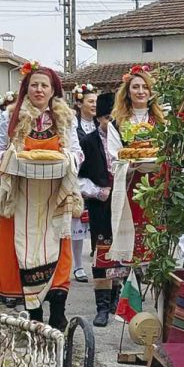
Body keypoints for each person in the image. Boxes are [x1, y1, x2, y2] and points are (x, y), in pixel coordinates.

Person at [0, 64, 83, 330]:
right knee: (24, 251)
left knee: (60, 252)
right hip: (22, 195)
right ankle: (34, 315)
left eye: (44, 85)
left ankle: (58, 312)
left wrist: (69, 160)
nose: (39, 90)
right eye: (34, 85)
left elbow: (77, 153)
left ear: (53, 90)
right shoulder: (11, 117)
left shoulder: (66, 118)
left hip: (56, 196)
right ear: (26, 88)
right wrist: (12, 160)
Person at [112, 65, 165, 265]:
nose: (141, 91)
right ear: (127, 92)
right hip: (130, 184)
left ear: (151, 91)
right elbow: (114, 156)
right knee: (133, 236)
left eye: (145, 87)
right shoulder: (117, 122)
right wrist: (130, 165)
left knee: (157, 233)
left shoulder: (162, 120)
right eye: (136, 87)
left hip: (156, 183)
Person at [79, 91, 123, 327]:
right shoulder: (87, 142)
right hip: (100, 206)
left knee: (121, 251)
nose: (110, 123)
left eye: (114, 118)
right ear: (98, 119)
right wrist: (97, 191)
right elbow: (78, 177)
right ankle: (102, 306)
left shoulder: (124, 139)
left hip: (122, 204)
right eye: (106, 118)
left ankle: (117, 300)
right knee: (102, 254)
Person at [71, 83, 99, 283]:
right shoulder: (73, 125)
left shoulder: (101, 124)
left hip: (97, 178)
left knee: (97, 225)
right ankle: (78, 266)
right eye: (91, 101)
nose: (94, 105)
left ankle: (98, 261)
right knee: (77, 224)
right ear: (79, 103)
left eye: (96, 101)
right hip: (79, 178)